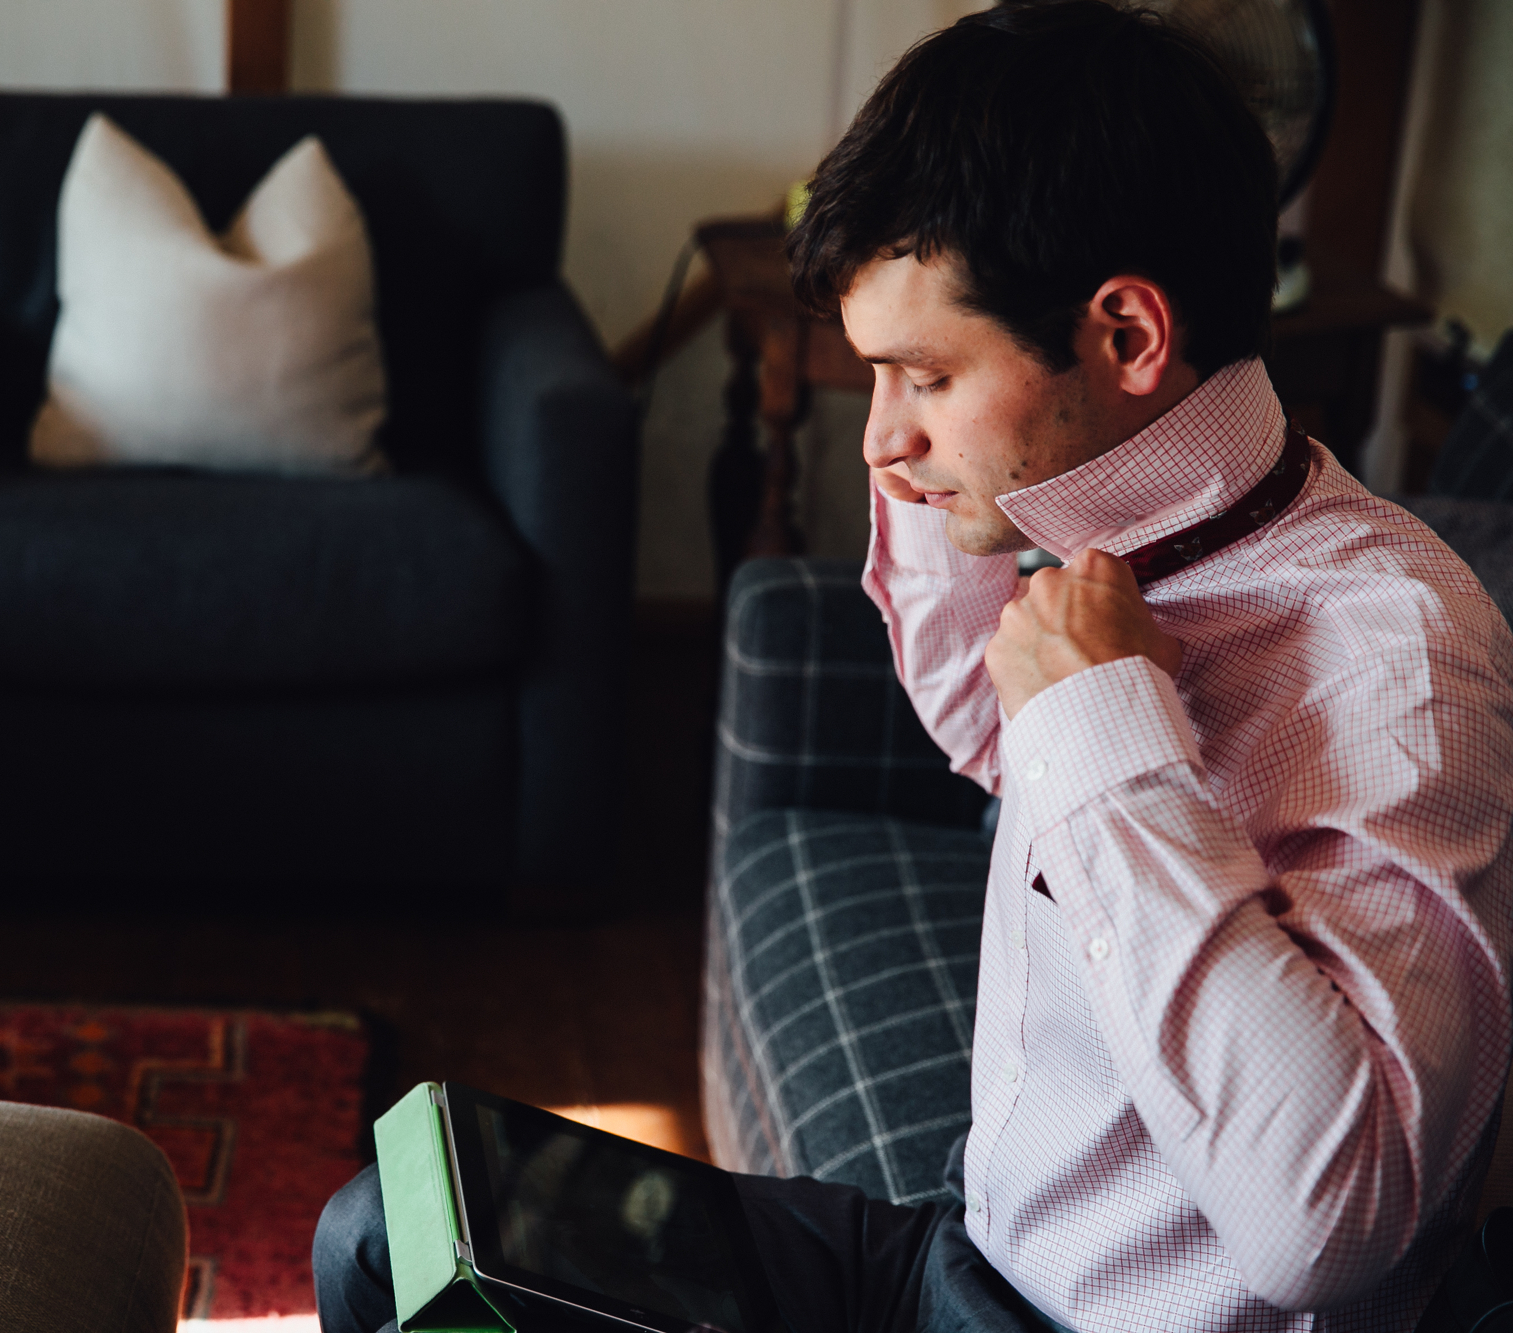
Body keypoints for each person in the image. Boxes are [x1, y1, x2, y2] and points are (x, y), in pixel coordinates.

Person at [313, 3, 1513, 1331]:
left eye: (921, 376)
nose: (879, 438)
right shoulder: (1111, 544)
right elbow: (980, 725)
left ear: (1125, 339)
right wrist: (961, 498)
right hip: (953, 1254)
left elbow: (1334, 1217)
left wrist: (1113, 738)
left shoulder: (1398, 662)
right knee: (396, 1235)